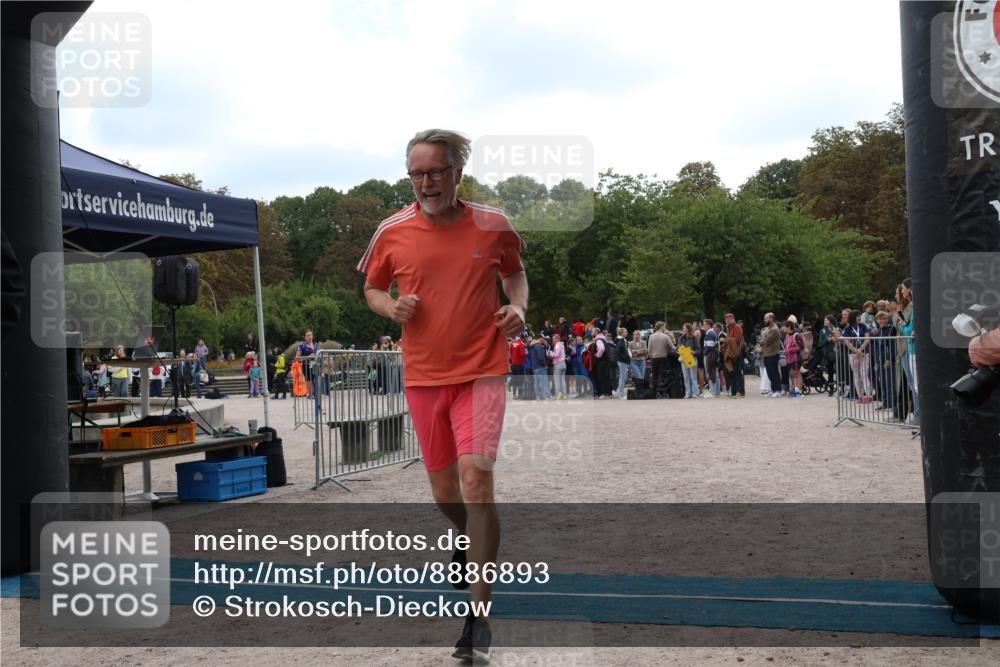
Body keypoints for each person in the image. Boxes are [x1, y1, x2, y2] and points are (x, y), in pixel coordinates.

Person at [357, 129, 527, 661]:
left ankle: (477, 621)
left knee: (477, 482)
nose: (426, 182)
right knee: (446, 498)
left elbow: (516, 273)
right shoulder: (392, 231)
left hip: (482, 370)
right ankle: (465, 536)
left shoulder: (493, 224)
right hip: (425, 377)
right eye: (416, 173)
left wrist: (517, 307)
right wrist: (390, 308)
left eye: (435, 171)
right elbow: (370, 288)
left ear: (457, 172)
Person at [843, 310, 873, 403]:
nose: (859, 318)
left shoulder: (863, 326)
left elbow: (867, 338)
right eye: (857, 316)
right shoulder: (848, 328)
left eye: (860, 316)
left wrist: (861, 348)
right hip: (853, 354)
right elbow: (846, 341)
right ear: (853, 317)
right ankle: (860, 396)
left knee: (864, 374)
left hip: (864, 353)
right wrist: (856, 350)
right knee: (856, 375)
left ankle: (868, 395)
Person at [647, 321, 674, 397]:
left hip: (654, 357)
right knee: (662, 374)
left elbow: (649, 349)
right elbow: (672, 347)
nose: (664, 328)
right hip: (663, 357)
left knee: (654, 374)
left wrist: (650, 356)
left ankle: (654, 391)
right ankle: (662, 389)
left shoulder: (651, 336)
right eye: (664, 326)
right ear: (661, 327)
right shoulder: (665, 336)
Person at [723, 313, 745, 398]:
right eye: (726, 319)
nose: (727, 321)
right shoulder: (729, 328)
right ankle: (734, 391)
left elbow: (737, 340)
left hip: (737, 353)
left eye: (729, 319)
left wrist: (726, 340)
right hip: (730, 354)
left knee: (738, 372)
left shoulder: (737, 327)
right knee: (731, 372)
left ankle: (740, 392)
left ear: (733, 319)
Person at [760, 313, 783, 397]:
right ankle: (773, 390)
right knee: (770, 374)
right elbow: (763, 340)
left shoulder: (774, 329)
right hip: (766, 354)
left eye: (766, 318)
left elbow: (766, 341)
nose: (764, 320)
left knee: (774, 373)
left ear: (771, 318)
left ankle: (778, 390)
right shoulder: (768, 328)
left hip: (773, 354)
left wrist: (762, 339)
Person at [783, 320, 805, 398]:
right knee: (794, 375)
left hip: (796, 358)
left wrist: (789, 350)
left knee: (796, 374)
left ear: (789, 327)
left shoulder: (797, 335)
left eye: (784, 327)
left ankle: (799, 391)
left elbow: (801, 347)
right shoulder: (787, 336)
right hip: (789, 358)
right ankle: (796, 391)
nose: (783, 328)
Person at [678, 323, 700, 398]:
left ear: (688, 329)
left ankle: (695, 393)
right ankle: (688, 393)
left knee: (693, 377)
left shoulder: (694, 338)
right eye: (683, 328)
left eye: (684, 328)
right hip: (684, 359)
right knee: (686, 377)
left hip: (692, 358)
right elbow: (678, 347)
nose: (683, 329)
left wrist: (693, 352)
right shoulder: (681, 338)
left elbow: (699, 349)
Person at [296, 330, 319, 397]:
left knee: (317, 379)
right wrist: (308, 357)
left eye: (310, 335)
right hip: (306, 365)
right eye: (307, 335)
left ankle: (317, 393)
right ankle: (311, 394)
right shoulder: (302, 345)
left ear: (312, 336)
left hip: (316, 365)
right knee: (309, 379)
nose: (309, 337)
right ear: (305, 337)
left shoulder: (316, 345)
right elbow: (297, 357)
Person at [701, 319, 721, 397]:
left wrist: (704, 353)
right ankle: (717, 392)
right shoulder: (713, 333)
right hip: (714, 355)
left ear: (709, 325)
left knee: (710, 373)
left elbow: (709, 346)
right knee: (715, 374)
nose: (703, 326)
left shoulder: (710, 333)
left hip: (710, 356)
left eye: (704, 324)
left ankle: (712, 392)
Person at [529, 335, 550, 400]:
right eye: (543, 339)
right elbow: (541, 357)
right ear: (540, 338)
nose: (544, 340)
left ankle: (538, 396)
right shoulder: (539, 346)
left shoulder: (532, 346)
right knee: (544, 382)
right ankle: (547, 396)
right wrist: (545, 364)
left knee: (536, 383)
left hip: (534, 367)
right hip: (540, 366)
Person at [613, 327, 631, 400]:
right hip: (622, 361)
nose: (627, 333)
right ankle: (621, 394)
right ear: (622, 333)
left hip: (623, 361)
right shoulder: (620, 341)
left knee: (624, 377)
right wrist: (624, 358)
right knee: (622, 377)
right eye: (625, 332)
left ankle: (618, 392)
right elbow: (617, 351)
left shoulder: (622, 340)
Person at [509, 332, 528, 400]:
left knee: (514, 379)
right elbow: (522, 354)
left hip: (513, 364)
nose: (527, 339)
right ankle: (519, 395)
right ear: (524, 337)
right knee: (520, 380)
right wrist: (526, 353)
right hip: (519, 365)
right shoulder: (522, 344)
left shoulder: (513, 343)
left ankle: (514, 395)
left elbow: (510, 352)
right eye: (526, 337)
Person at [549, 332, 567, 399]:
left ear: (557, 339)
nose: (552, 340)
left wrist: (551, 353)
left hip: (558, 364)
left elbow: (556, 355)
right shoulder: (562, 345)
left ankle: (558, 394)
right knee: (563, 380)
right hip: (563, 364)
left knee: (557, 381)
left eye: (553, 339)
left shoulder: (557, 345)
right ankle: (564, 395)